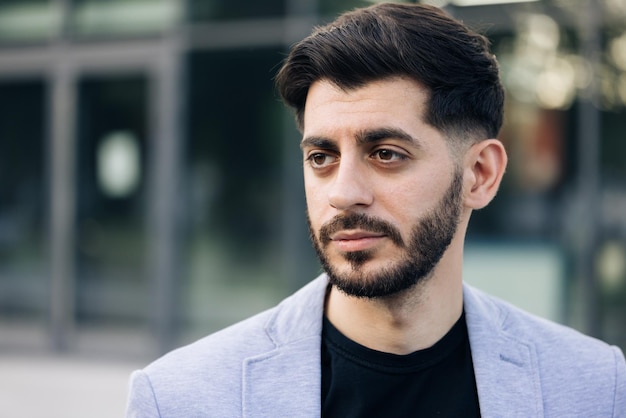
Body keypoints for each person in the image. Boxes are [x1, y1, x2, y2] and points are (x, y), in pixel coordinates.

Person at [126, 3, 626, 417]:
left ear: (480, 175)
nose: (343, 193)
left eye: (386, 154)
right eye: (321, 158)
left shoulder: (597, 390)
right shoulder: (179, 399)